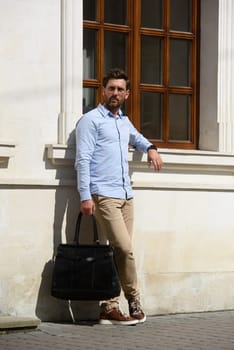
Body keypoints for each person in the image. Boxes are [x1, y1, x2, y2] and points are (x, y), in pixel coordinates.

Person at [75, 68, 163, 326]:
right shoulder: (90, 120)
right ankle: (134, 300)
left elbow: (136, 137)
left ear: (127, 93)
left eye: (120, 89)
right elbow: (83, 160)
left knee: (121, 251)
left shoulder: (123, 121)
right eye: (111, 88)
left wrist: (151, 148)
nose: (115, 93)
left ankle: (109, 307)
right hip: (103, 195)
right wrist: (84, 196)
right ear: (103, 90)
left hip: (126, 195)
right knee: (124, 248)